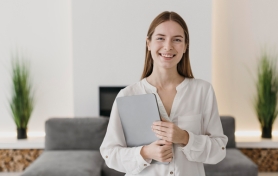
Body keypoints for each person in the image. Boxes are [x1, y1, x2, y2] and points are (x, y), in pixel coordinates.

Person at [100, 11, 228, 176]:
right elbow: (110, 154)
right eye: (160, 38)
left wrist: (185, 138)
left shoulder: (203, 91)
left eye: (177, 39)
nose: (168, 46)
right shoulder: (128, 95)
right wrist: (145, 153)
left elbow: (219, 150)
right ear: (149, 43)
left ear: (185, 46)